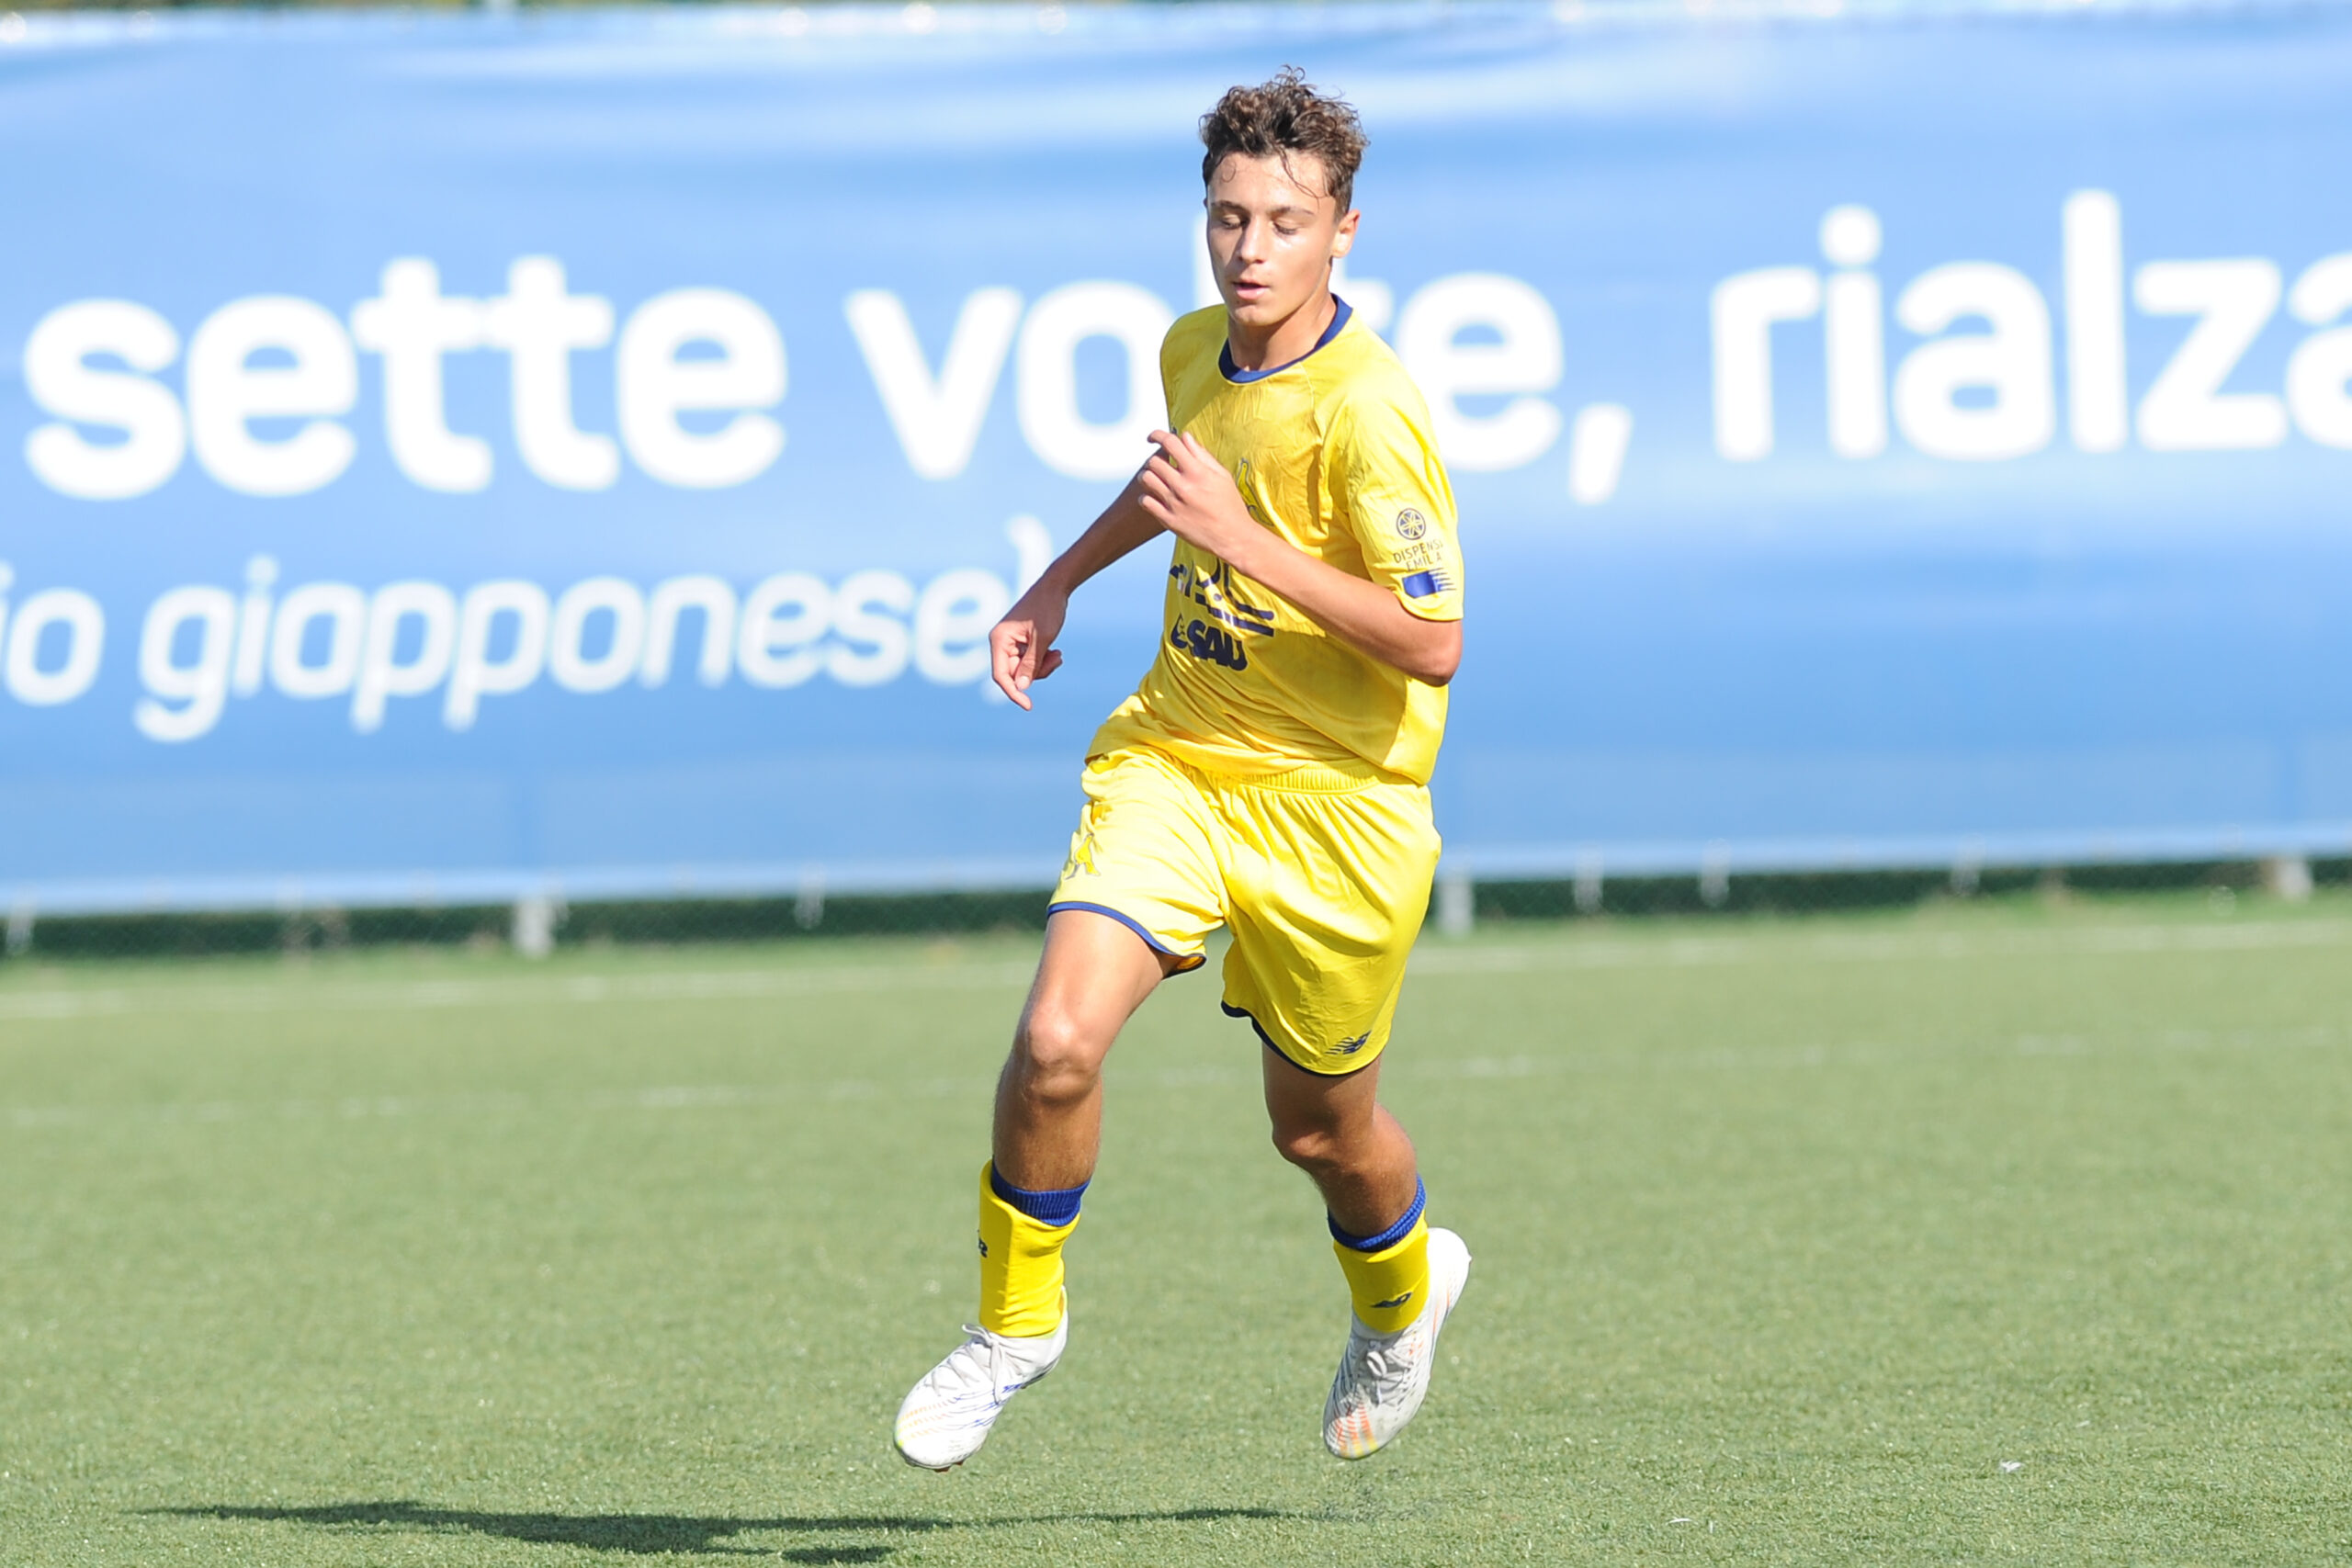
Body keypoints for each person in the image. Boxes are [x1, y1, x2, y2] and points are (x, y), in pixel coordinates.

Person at [893, 67, 1470, 1470]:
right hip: (1180, 758)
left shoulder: (1370, 411)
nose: (1250, 249)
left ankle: (1402, 1298)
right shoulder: (1193, 346)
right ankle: (1015, 1326)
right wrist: (1057, 580)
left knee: (1321, 1138)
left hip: (1341, 812)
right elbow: (1180, 487)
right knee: (1054, 1043)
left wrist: (1241, 537)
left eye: (1286, 222)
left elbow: (1434, 641)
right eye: (1229, 217)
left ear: (1344, 230)